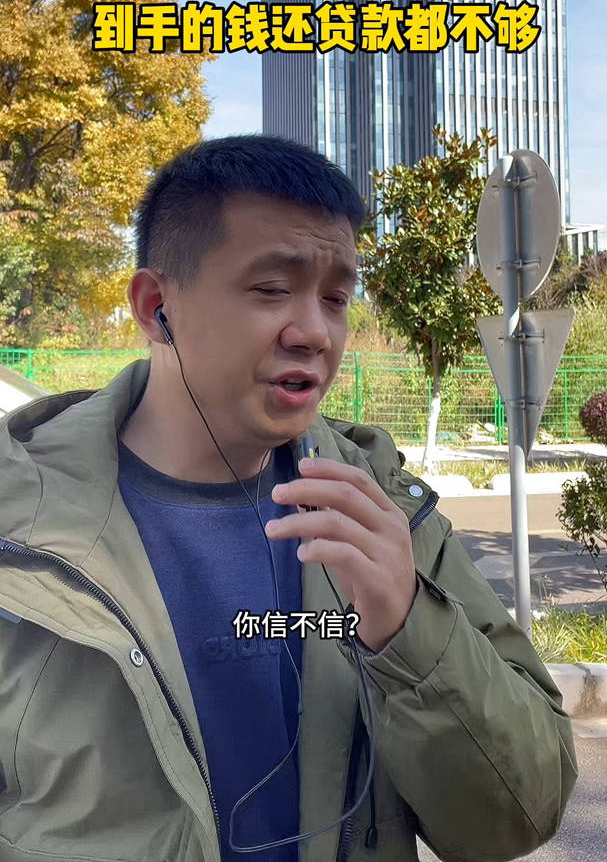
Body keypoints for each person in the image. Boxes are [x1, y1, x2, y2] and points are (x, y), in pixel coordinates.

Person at [0, 135, 576, 862]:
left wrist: (406, 626)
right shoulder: (20, 528)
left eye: (336, 298)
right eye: (272, 289)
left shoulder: (382, 509)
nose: (315, 333)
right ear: (156, 306)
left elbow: (521, 814)